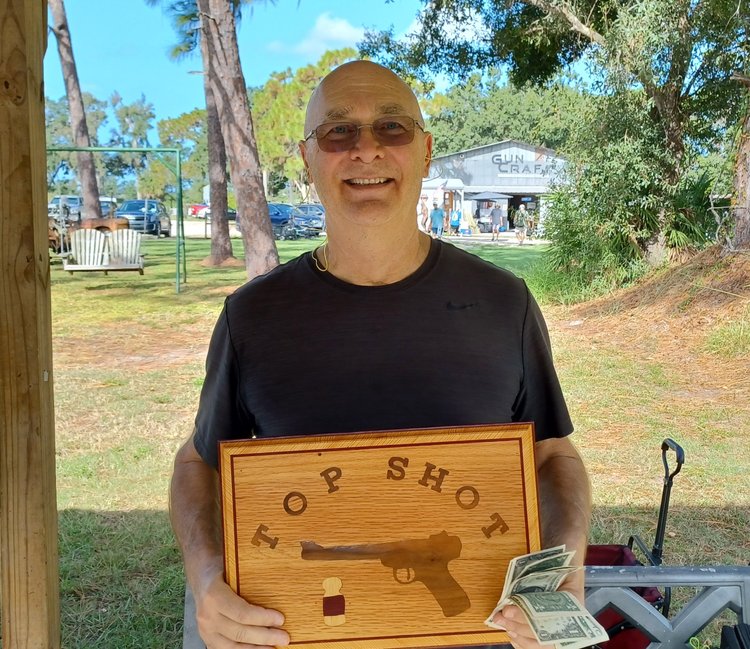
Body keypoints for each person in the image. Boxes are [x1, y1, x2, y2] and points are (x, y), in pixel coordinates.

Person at [169, 60, 591, 649]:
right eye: (338, 131)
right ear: (307, 159)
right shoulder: (252, 316)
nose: (366, 149)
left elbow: (552, 455)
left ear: (425, 151)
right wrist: (206, 576)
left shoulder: (503, 302)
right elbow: (198, 466)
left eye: (392, 127)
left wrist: (566, 556)